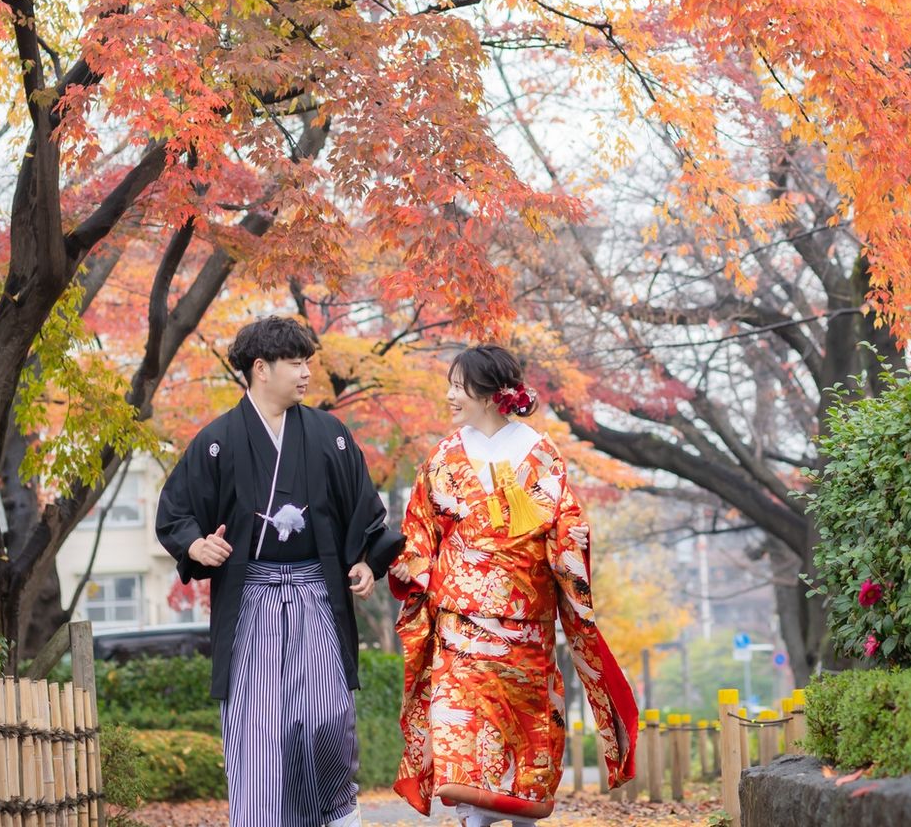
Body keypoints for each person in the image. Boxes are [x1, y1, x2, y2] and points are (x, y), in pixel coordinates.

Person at [156, 316, 404, 827]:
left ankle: (335, 814)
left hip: (317, 594)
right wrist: (197, 545)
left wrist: (365, 561)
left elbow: (364, 511)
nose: (307, 372)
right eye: (295, 363)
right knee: (260, 727)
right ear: (260, 369)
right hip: (252, 600)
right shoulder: (217, 440)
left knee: (328, 716)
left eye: (308, 361)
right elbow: (177, 513)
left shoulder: (329, 435)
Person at [389, 344, 637, 827]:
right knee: (460, 726)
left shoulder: (540, 453)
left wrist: (569, 541)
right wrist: (412, 566)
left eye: (458, 387)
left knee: (525, 729)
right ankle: (471, 816)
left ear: (488, 394)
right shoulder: (443, 456)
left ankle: (521, 809)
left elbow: (566, 524)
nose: (449, 396)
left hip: (524, 624)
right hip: (459, 622)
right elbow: (419, 528)